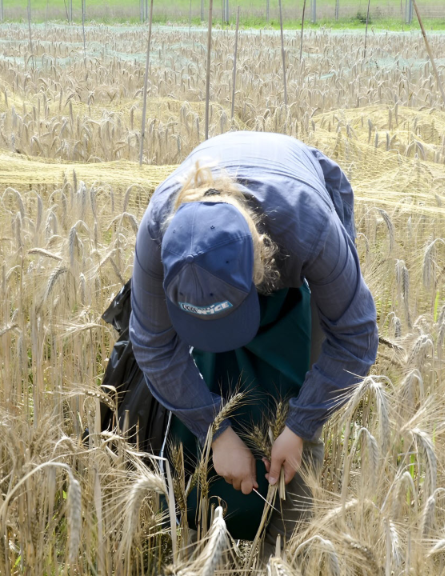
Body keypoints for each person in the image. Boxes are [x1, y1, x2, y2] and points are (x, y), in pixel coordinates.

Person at [129, 131, 378, 553]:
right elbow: (154, 346)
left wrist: (298, 429)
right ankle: (196, 533)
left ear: (261, 259)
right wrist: (215, 431)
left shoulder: (311, 230)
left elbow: (354, 338)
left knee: (304, 390)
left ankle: (285, 546)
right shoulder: (158, 230)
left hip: (292, 208)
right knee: (203, 383)